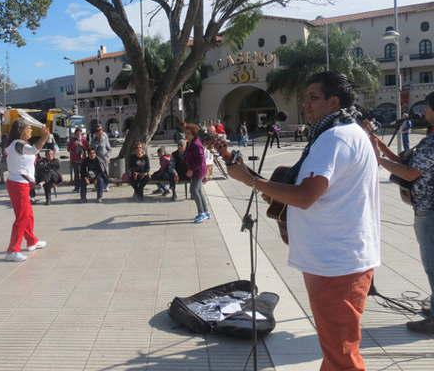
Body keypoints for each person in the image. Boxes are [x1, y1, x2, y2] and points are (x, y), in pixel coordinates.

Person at [220, 71, 380, 370]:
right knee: (336, 351)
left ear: (334, 101)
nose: (305, 105)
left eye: (313, 98)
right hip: (337, 259)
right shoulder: (346, 131)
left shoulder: (335, 137)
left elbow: (306, 196)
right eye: (305, 98)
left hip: (336, 263)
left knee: (342, 356)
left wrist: (251, 180)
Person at [370, 94, 434, 334]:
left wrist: (376, 159)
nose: (423, 111)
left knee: (432, 265)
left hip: (429, 210)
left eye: (426, 107)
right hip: (425, 209)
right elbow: (403, 161)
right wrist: (378, 143)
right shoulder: (429, 140)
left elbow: (409, 173)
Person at [4, 120, 50, 262]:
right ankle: (12, 250)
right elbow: (34, 150)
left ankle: (31, 241)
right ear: (21, 130)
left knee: (28, 215)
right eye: (29, 128)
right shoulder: (18, 144)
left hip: (20, 183)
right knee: (22, 217)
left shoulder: (19, 144)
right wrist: (44, 137)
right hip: (18, 184)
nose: (31, 131)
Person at [184, 124, 210, 223]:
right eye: (185, 133)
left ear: (193, 134)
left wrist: (191, 169)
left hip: (198, 171)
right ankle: (206, 212)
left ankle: (201, 213)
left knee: (193, 190)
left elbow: (200, 160)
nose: (186, 135)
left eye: (188, 133)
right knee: (198, 191)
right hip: (197, 170)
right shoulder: (189, 142)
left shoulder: (196, 144)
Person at [67, 128, 88, 192]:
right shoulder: (72, 140)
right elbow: (68, 149)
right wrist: (74, 145)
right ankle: (77, 187)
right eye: (77, 134)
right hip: (75, 160)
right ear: (75, 134)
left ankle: (83, 186)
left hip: (82, 160)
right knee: (76, 174)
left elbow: (87, 148)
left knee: (82, 174)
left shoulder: (84, 140)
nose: (78, 135)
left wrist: (82, 145)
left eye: (80, 134)